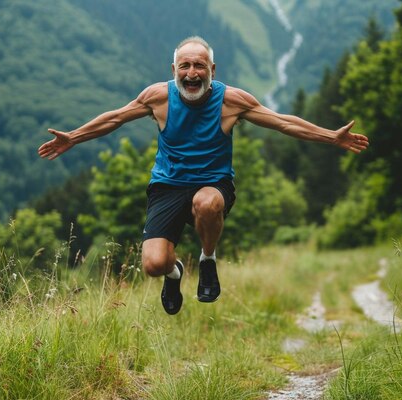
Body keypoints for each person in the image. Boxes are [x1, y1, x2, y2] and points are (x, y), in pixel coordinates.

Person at [38, 36, 369, 315]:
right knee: (154, 264)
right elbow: (115, 119)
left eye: (199, 66)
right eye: (185, 66)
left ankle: (207, 259)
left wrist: (331, 136)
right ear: (174, 70)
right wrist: (73, 137)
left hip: (213, 184)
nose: (192, 72)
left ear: (212, 70)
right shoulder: (158, 97)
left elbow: (283, 121)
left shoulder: (232, 101)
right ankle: (175, 272)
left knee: (206, 202)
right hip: (167, 186)